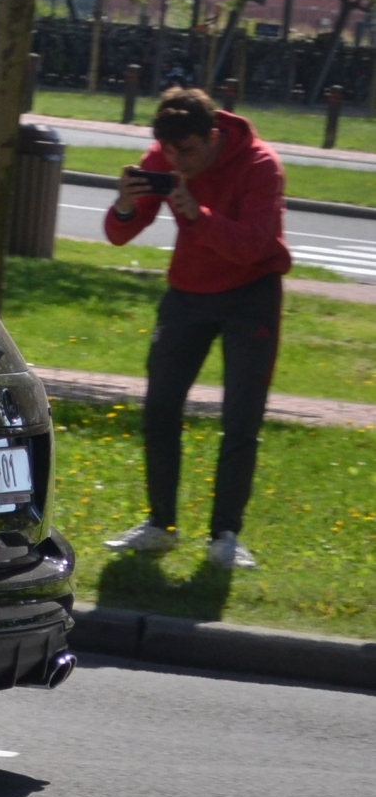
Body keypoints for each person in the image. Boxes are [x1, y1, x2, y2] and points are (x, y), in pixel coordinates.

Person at [100, 87, 290, 569]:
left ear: (212, 136)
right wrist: (125, 205)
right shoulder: (163, 157)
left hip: (252, 294)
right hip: (187, 294)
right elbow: (120, 233)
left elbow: (250, 245)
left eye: (185, 151)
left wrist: (195, 214)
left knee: (241, 417)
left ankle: (225, 535)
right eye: (166, 150)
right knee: (160, 407)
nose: (174, 161)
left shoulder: (261, 166)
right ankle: (160, 525)